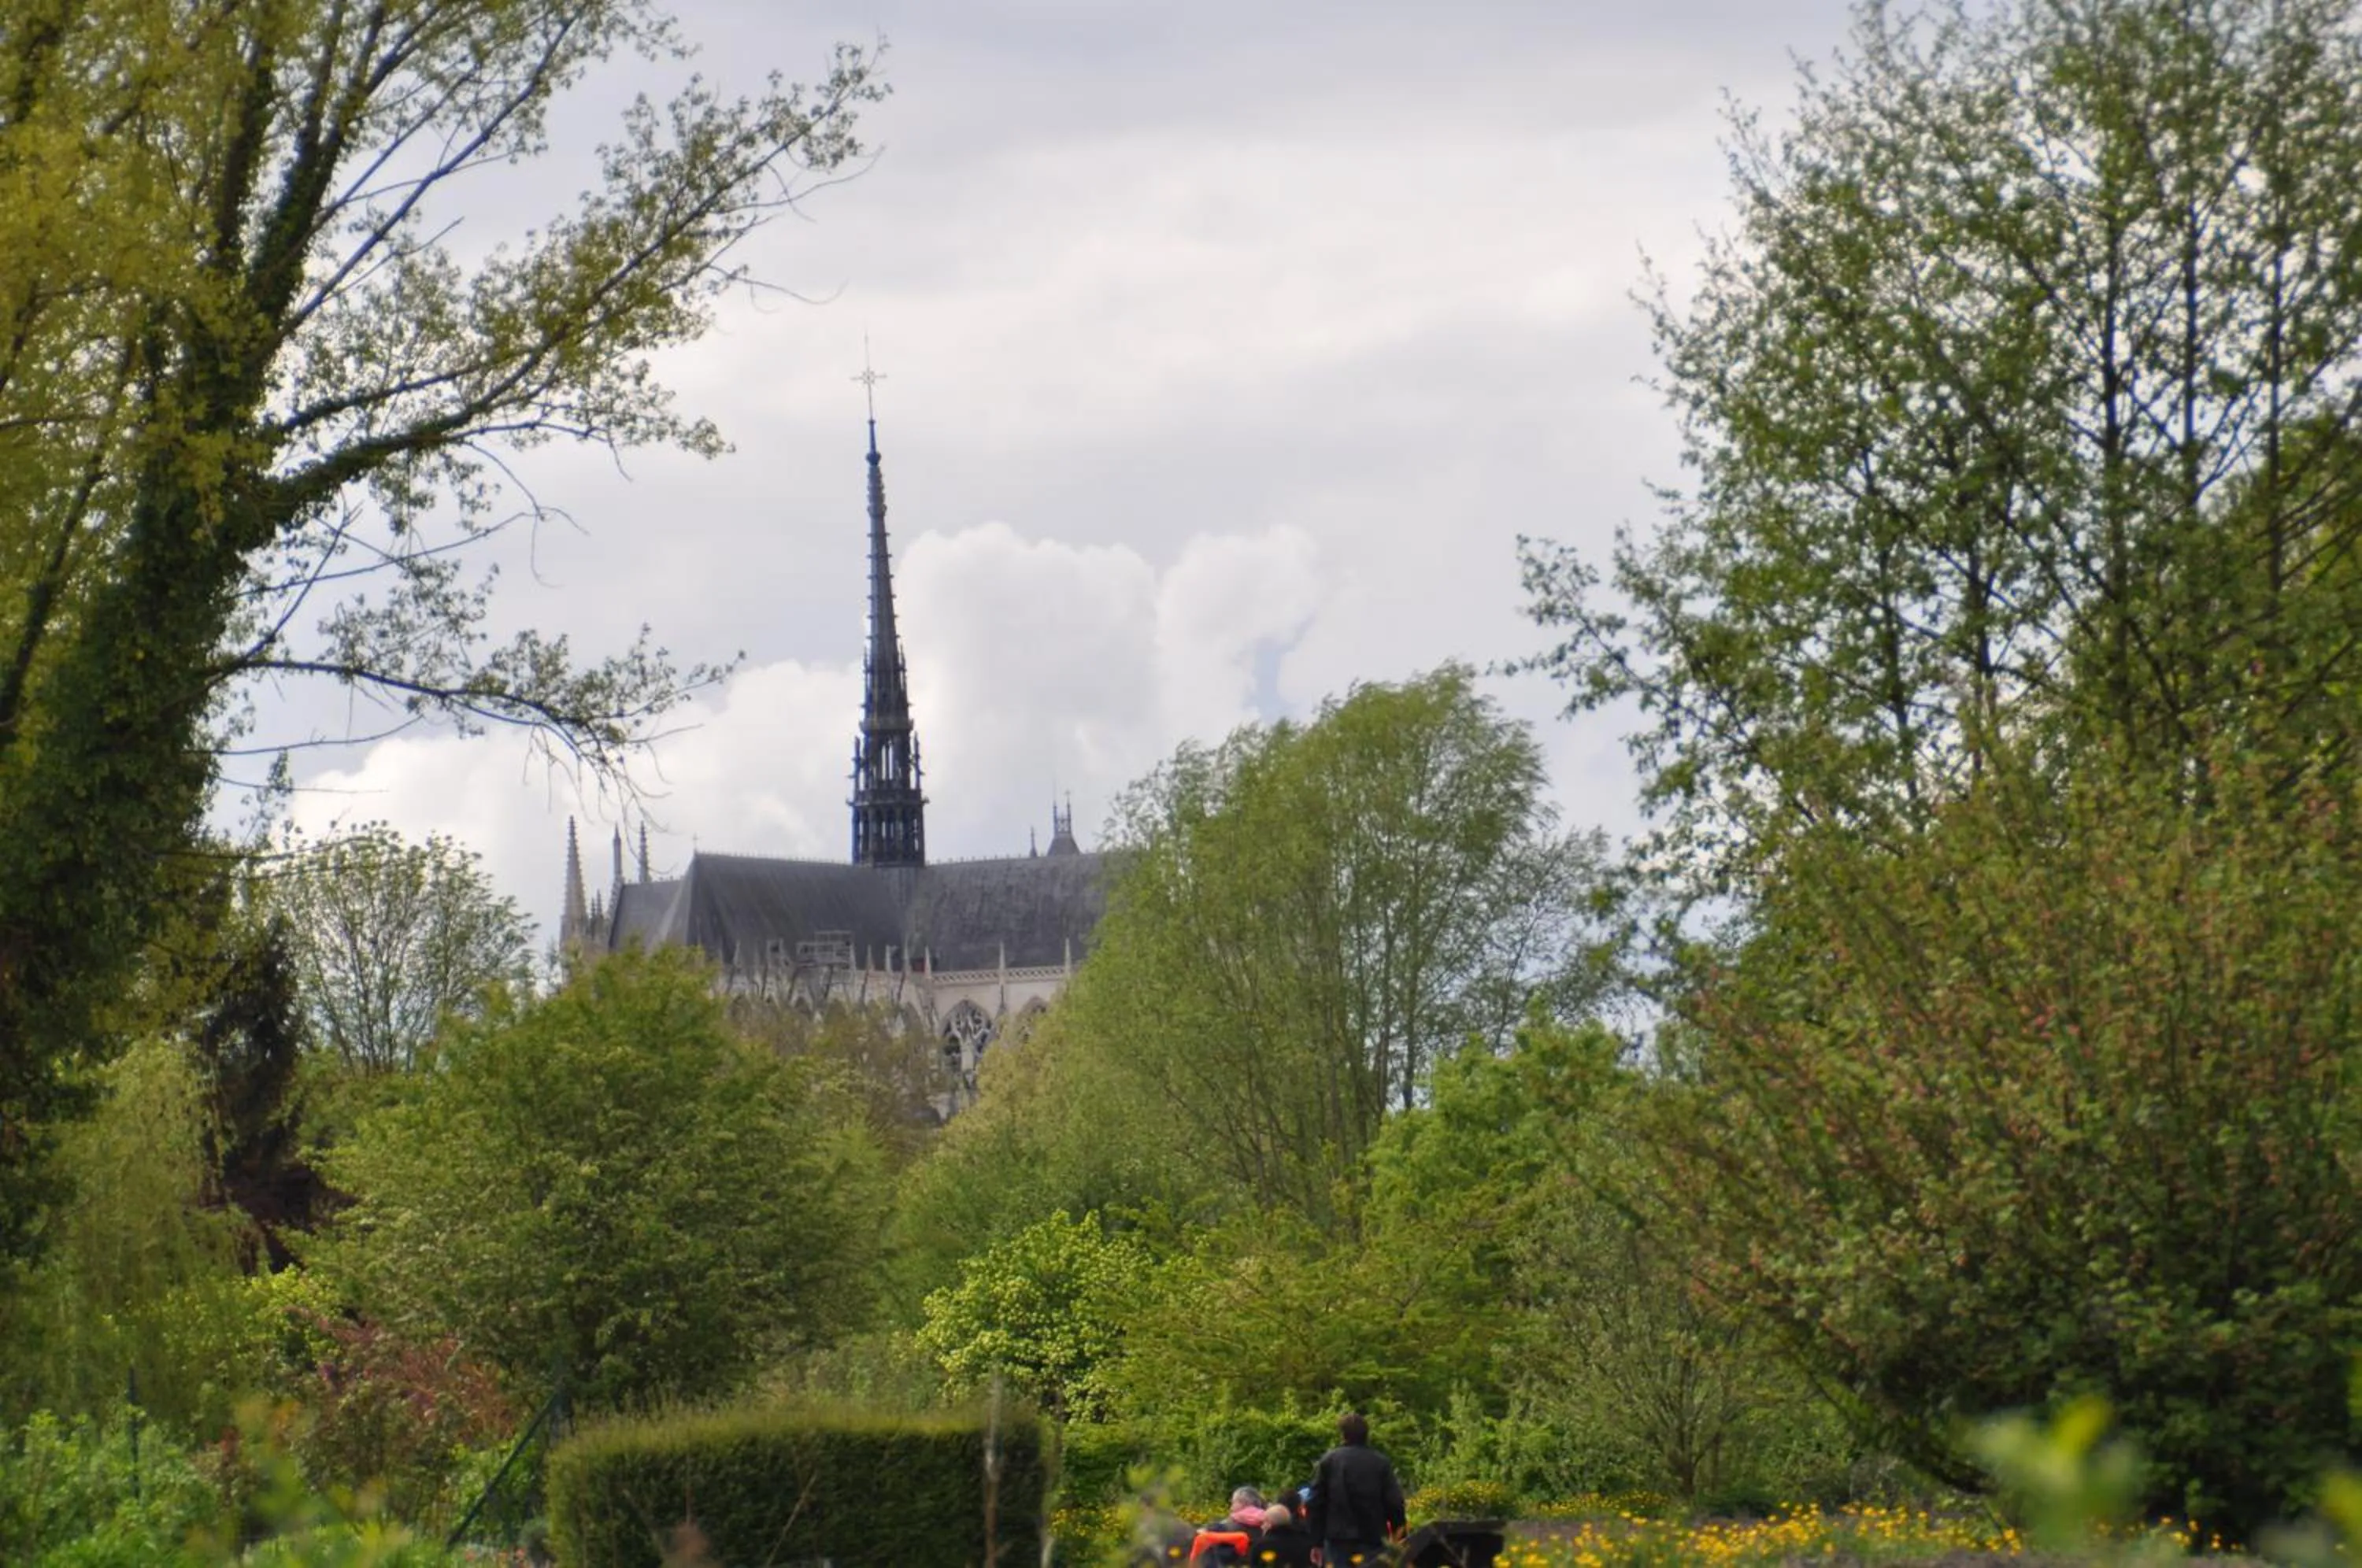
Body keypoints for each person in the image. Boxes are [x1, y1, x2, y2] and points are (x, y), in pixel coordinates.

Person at [1305, 1411, 1405, 1566]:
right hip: (1373, 1537)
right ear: (1367, 1434)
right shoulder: (1380, 1463)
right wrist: (1400, 1536)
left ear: (1343, 1435)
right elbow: (1394, 1503)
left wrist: (1316, 1541)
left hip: (1338, 1539)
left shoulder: (1330, 1461)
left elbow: (1315, 1503)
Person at [1255, 1502, 1320, 1568]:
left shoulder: (1262, 1545)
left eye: (1264, 1522)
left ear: (1270, 1523)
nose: (1262, 1526)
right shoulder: (1305, 1541)